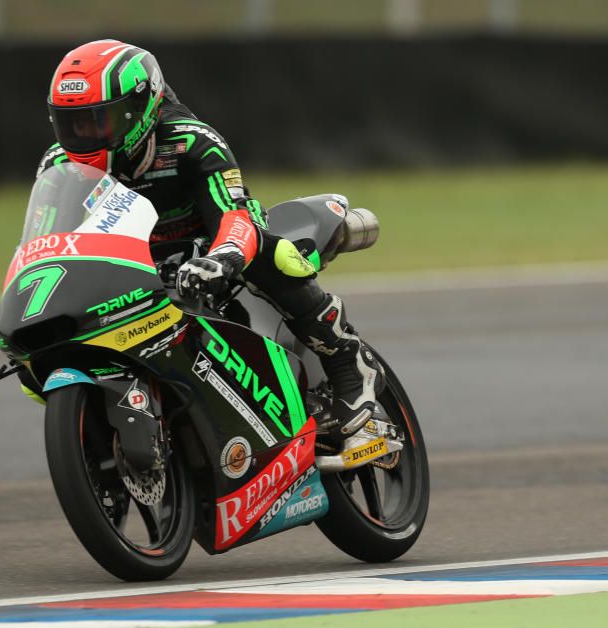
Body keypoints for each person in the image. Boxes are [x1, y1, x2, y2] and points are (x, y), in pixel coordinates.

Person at [38, 39, 382, 449]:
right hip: (135, 257)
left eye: (99, 121)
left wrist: (223, 256)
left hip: (212, 236)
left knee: (277, 254)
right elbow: (52, 241)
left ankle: (345, 356)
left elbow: (234, 213)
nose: (84, 136)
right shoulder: (58, 164)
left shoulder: (191, 140)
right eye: (71, 124)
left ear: (141, 108)